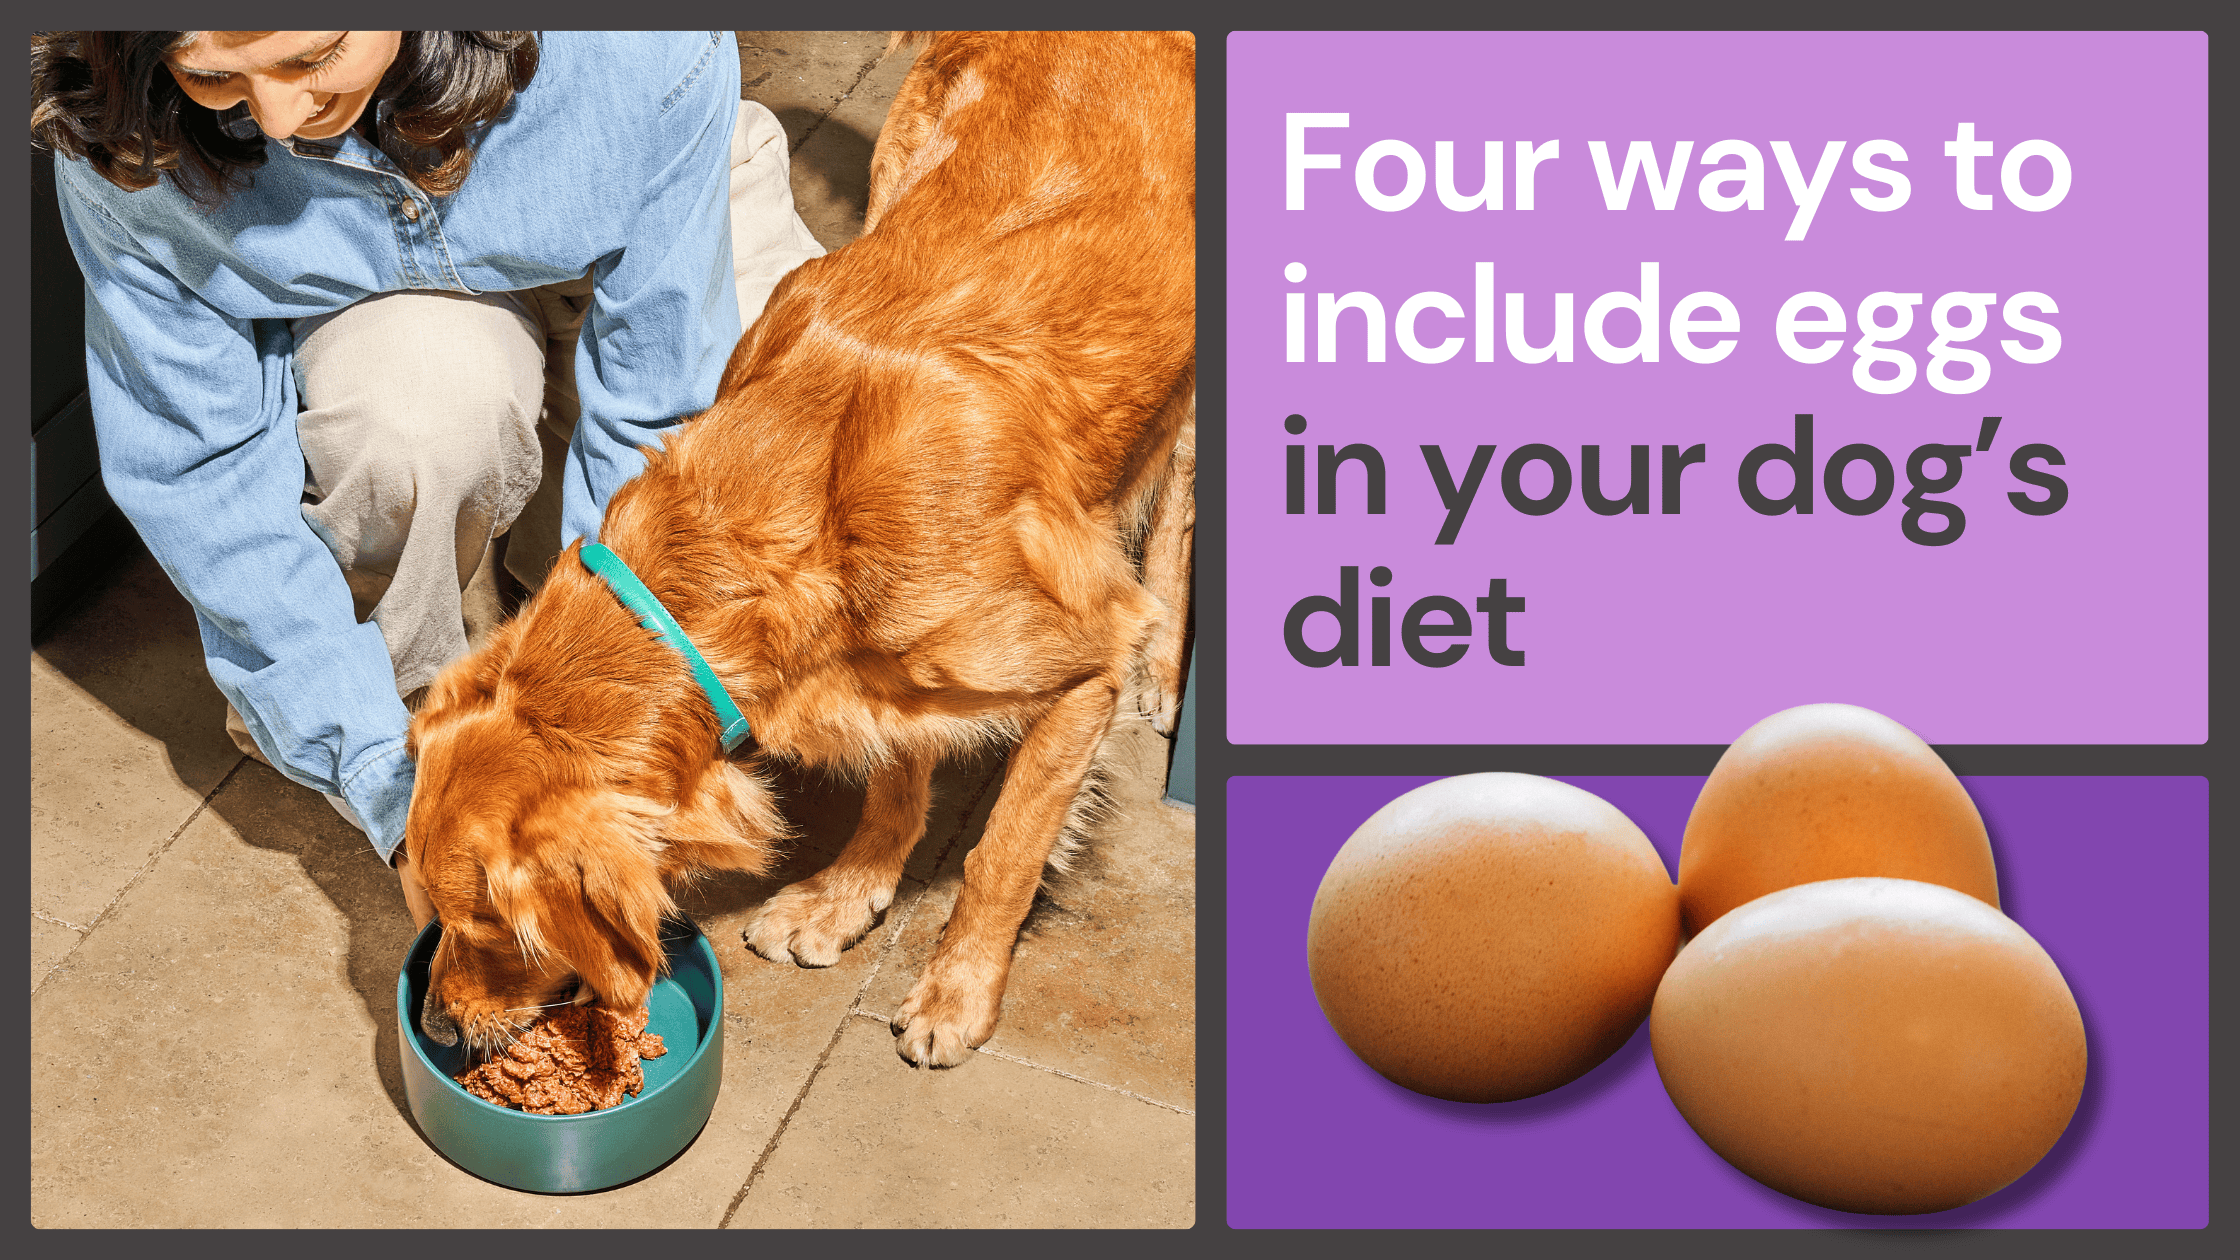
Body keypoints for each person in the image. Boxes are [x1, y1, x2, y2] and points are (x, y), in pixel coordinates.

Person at [30, 31, 824, 929]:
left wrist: (598, 730)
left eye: (311, 56)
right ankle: (410, 712)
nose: (279, 120)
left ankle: (525, 584)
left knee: (781, 468)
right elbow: (202, 477)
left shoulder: (632, 50)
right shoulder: (126, 119)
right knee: (411, 427)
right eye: (213, 76)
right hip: (373, 286)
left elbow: (657, 408)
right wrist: (398, 796)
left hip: (629, 186)